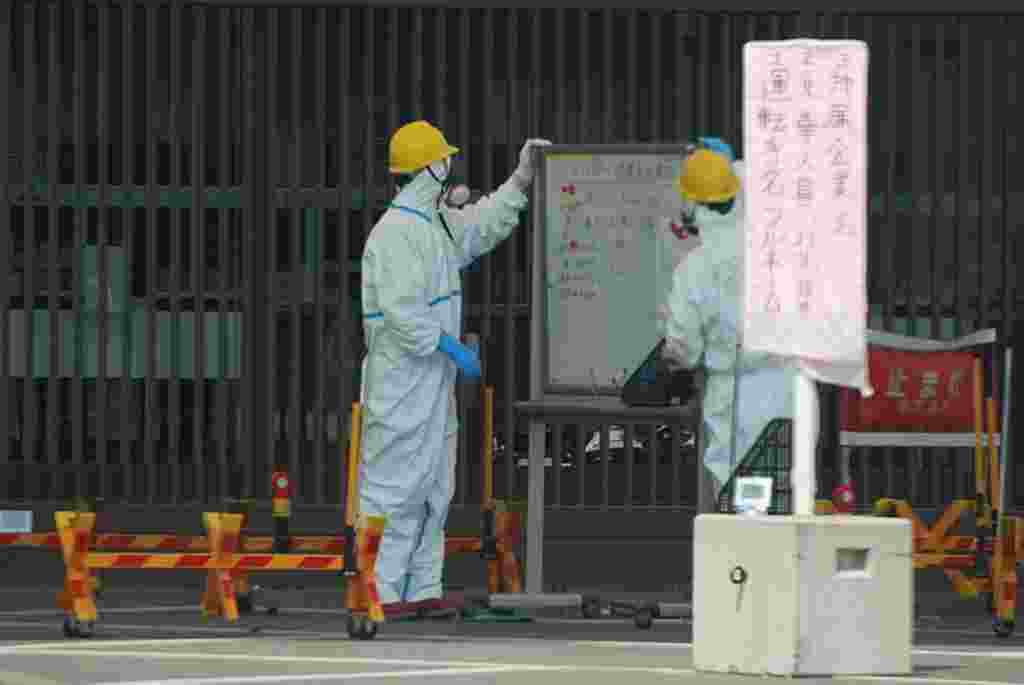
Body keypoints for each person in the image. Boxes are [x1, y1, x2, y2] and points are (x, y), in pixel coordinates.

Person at [358, 119, 551, 614]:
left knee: (433, 490)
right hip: (402, 384)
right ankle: (377, 592)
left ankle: (421, 591)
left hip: (431, 383)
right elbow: (403, 315)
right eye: (444, 159)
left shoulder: (434, 224)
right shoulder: (397, 233)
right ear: (431, 167)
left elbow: (482, 225)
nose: (450, 167)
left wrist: (521, 179)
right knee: (393, 490)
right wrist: (450, 346)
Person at [662, 144, 796, 510]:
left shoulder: (696, 267)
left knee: (742, 513)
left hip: (734, 396)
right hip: (790, 388)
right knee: (787, 500)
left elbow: (682, 351)